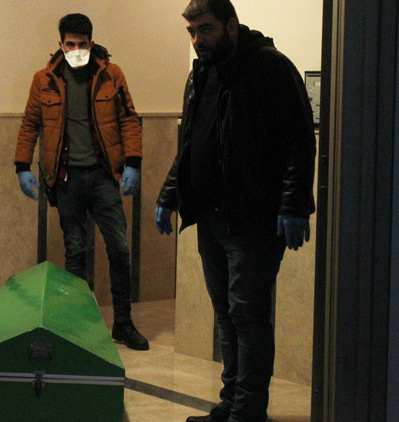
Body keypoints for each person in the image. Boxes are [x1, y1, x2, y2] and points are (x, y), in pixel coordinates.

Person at [155, 1, 316, 421]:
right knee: (227, 317)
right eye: (191, 32)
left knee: (248, 318)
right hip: (211, 217)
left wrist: (293, 204)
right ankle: (231, 404)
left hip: (253, 221)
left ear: (231, 25)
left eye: (205, 30)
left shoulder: (270, 67)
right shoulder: (202, 74)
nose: (197, 40)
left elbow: (300, 141)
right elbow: (191, 142)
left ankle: (248, 412)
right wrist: (169, 195)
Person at [15, 13, 148, 351]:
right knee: (75, 252)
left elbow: (128, 119)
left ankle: (123, 323)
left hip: (103, 176)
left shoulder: (111, 75)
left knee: (119, 249)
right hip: (67, 178)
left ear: (92, 42)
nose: (77, 50)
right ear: (60, 44)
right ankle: (74, 326)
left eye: (82, 44)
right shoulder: (44, 80)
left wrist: (133, 163)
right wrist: (22, 166)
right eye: (70, 44)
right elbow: (30, 123)